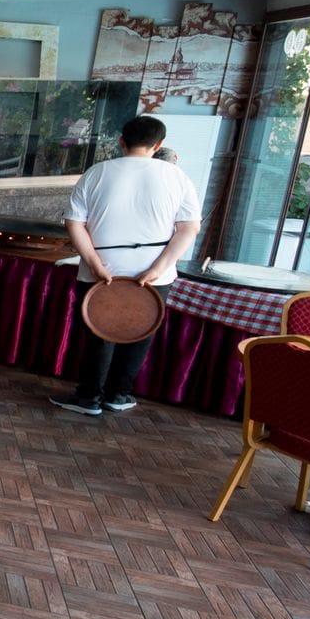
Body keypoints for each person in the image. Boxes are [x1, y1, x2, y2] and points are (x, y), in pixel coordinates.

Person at [50, 114, 201, 416]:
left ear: (121, 141)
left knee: (98, 332)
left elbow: (74, 223)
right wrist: (159, 268)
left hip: (103, 265)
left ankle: (89, 398)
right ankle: (118, 395)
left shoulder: (97, 172)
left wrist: (94, 263)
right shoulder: (177, 177)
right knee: (140, 331)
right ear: (158, 145)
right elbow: (189, 227)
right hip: (154, 270)